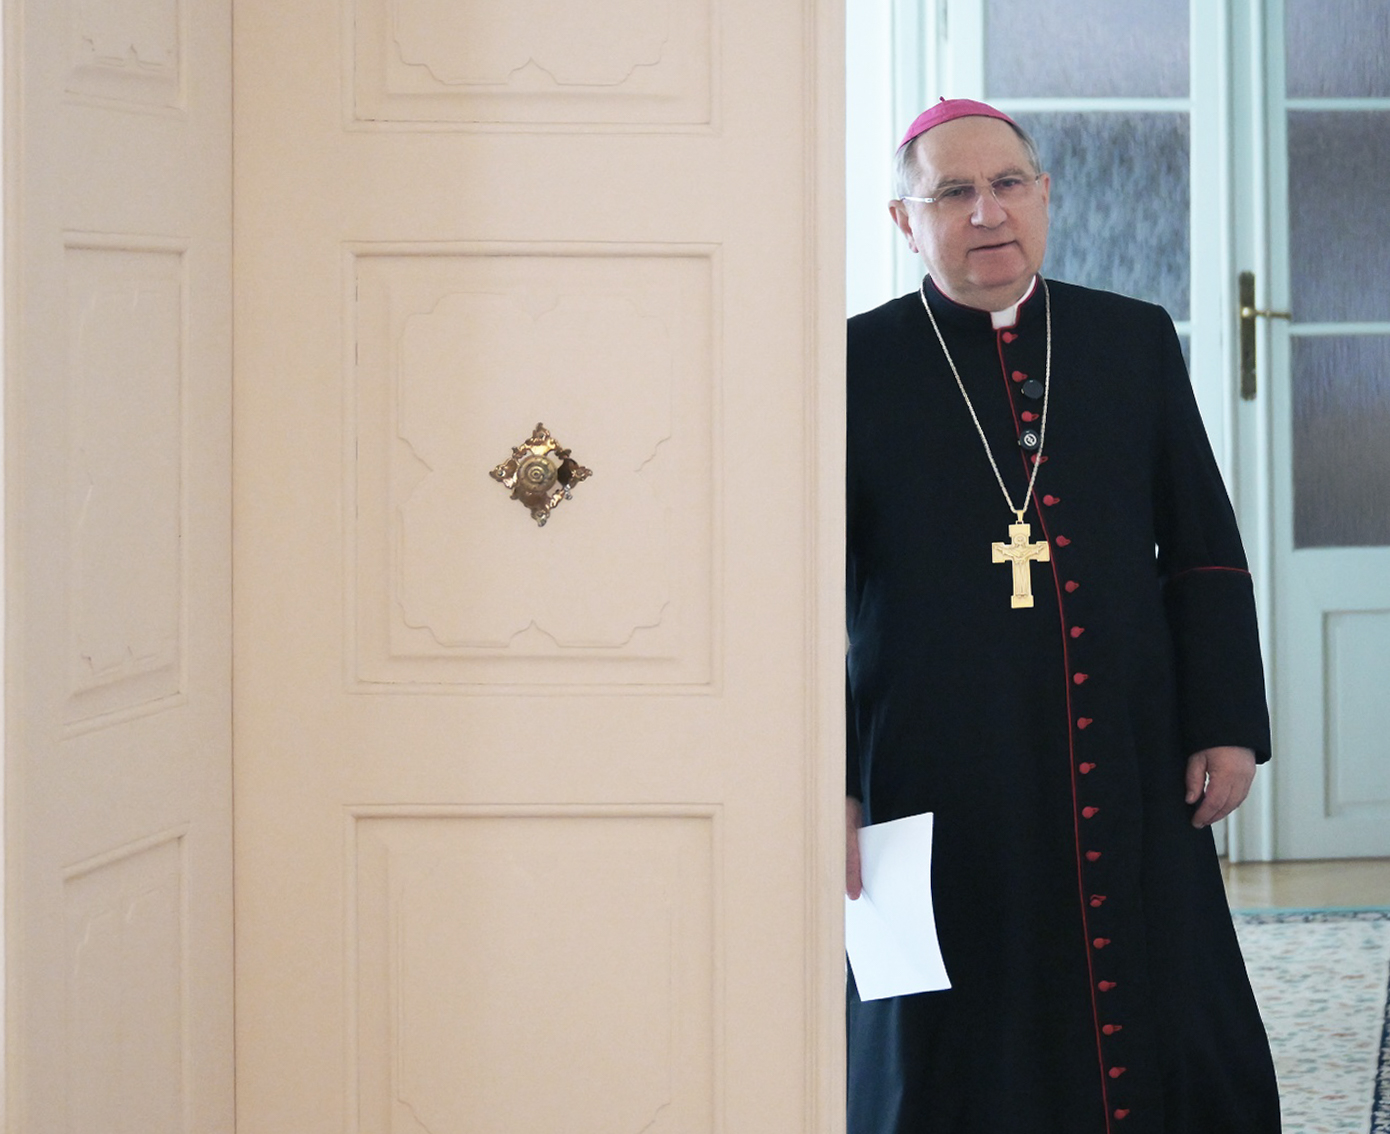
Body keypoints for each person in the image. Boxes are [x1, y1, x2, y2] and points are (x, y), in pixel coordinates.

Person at [845, 98, 1281, 1134]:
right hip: (930, 757)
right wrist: (832, 786)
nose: (986, 211)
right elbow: (801, 598)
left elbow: (1203, 547)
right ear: (906, 221)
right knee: (944, 1024)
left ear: (1044, 198)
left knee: (1159, 994)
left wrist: (1225, 722)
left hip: (1123, 740)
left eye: (1007, 185)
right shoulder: (854, 364)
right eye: (952, 191)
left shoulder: (1129, 338)